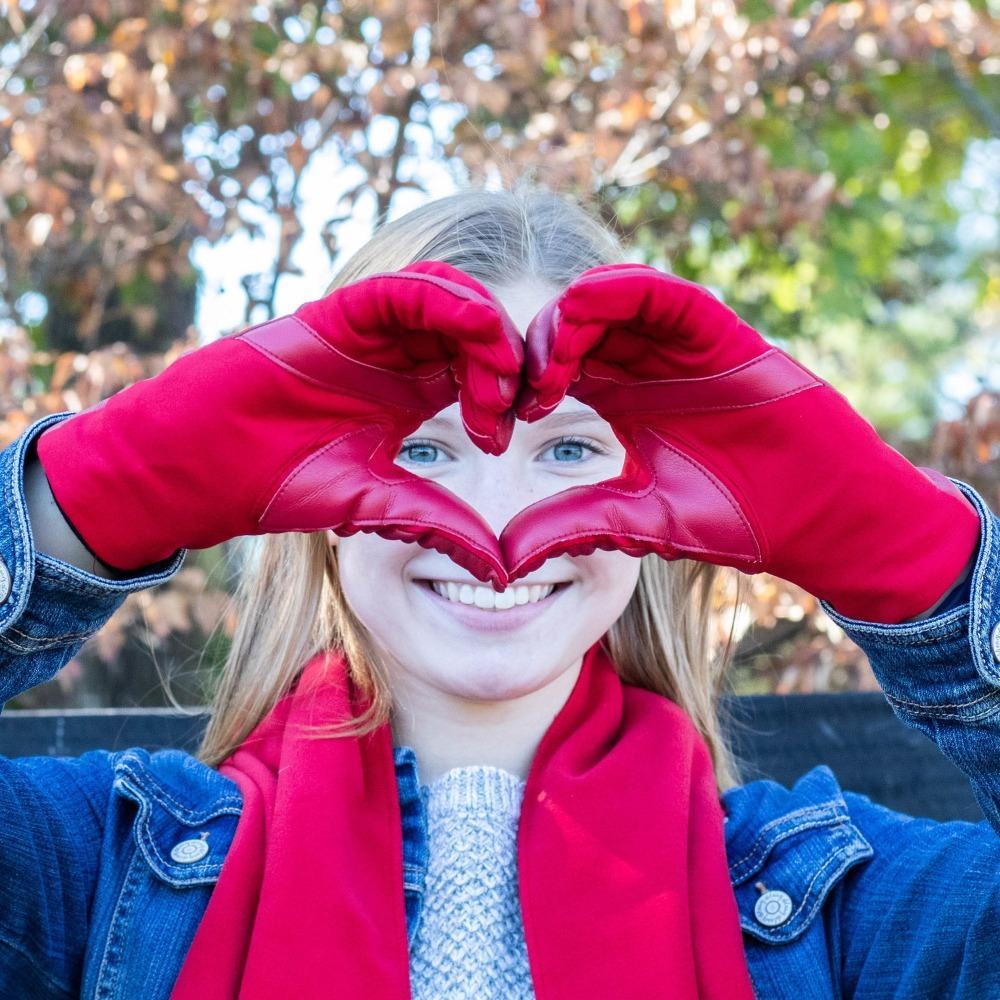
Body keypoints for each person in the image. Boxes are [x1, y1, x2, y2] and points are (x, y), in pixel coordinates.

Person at [0, 185, 996, 1000]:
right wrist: (96, 493)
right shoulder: (90, 871)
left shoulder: (845, 913)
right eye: (423, 447)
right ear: (307, 496)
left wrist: (907, 556)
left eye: (567, 448)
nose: (498, 525)